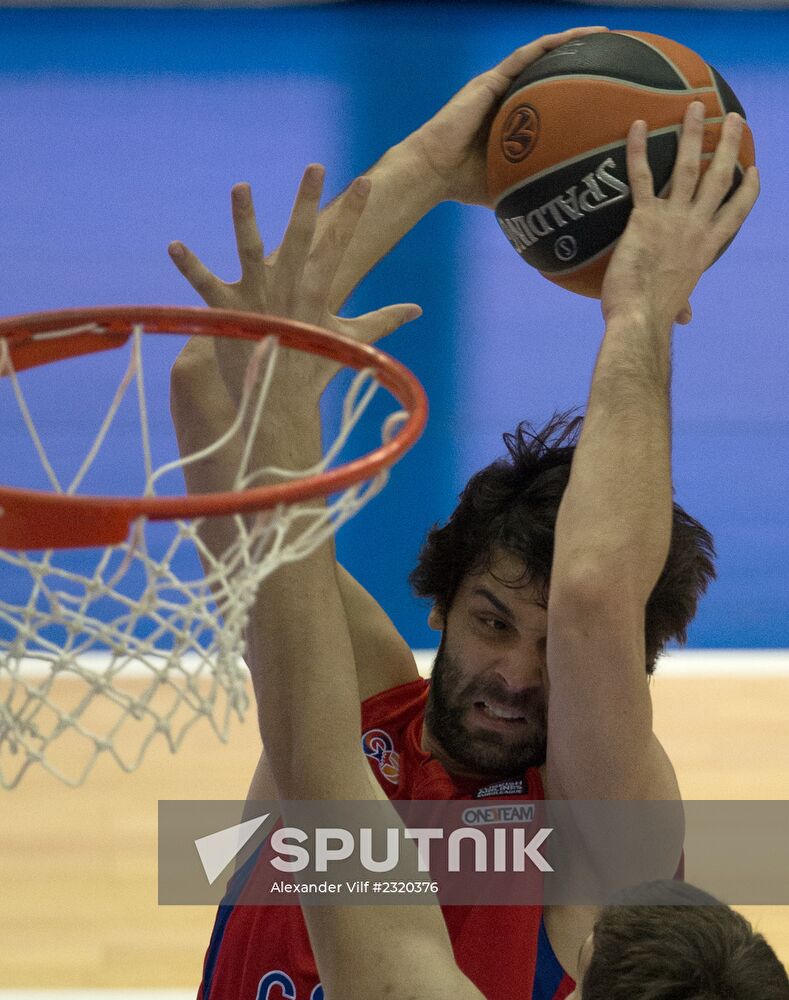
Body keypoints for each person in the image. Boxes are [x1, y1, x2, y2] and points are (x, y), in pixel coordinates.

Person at [168, 38, 764, 1000]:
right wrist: (439, 167)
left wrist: (634, 308)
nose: (518, 678)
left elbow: (594, 593)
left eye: (556, 653)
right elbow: (212, 390)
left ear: (618, 666)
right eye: (493, 621)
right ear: (438, 605)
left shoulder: (600, 828)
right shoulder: (360, 689)